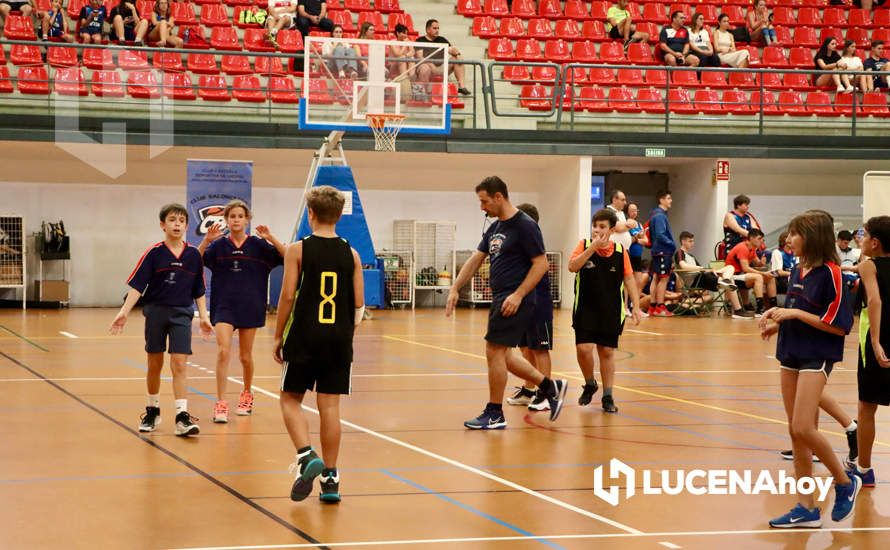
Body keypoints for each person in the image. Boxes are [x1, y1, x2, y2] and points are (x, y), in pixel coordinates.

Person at [760, 210, 861, 528]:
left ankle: (845, 482)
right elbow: (799, 310)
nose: (788, 239)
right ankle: (806, 507)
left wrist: (794, 316)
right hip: (790, 351)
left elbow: (839, 326)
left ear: (812, 237)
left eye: (794, 233)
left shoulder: (832, 274)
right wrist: (778, 323)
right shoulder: (796, 270)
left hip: (816, 355)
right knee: (795, 431)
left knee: (803, 427)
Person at [445, 176, 568, 430]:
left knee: (494, 351)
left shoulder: (525, 225)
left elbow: (541, 263)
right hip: (500, 296)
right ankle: (549, 386)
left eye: (484, 201)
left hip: (515, 297)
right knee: (505, 355)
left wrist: (519, 295)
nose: (482, 207)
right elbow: (476, 259)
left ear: (499, 196)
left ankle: (494, 412)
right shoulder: (495, 228)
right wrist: (455, 288)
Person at [273, 186, 364, 504]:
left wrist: (277, 334)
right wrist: (345, 333)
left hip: (304, 335)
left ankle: (305, 455)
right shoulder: (351, 253)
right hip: (338, 338)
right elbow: (359, 305)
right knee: (330, 408)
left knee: (289, 399)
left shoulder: (297, 250)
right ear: (339, 215)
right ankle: (331, 477)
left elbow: (287, 296)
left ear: (310, 214)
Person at [109, 204, 212, 437]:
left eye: (182, 221)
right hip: (156, 313)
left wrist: (204, 317)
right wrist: (124, 312)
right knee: (154, 364)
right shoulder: (154, 253)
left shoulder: (194, 255)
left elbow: (199, 290)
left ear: (187, 226)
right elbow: (137, 285)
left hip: (182, 315)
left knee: (179, 363)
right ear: (162, 225)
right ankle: (153, 411)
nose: (177, 224)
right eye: (172, 220)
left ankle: (182, 417)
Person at [198, 200, 286, 423]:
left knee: (245, 357)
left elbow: (287, 256)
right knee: (223, 352)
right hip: (223, 307)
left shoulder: (258, 246)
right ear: (226, 220)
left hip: (250, 306)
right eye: (232, 216)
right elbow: (194, 260)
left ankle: (247, 393)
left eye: (240, 216)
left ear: (247, 219)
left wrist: (271, 238)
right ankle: (221, 402)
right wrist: (206, 241)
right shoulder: (218, 246)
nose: (236, 220)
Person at [570, 209, 642, 413]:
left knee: (607, 351)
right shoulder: (584, 245)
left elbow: (629, 279)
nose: (596, 230)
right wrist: (592, 248)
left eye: (602, 227)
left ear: (611, 230)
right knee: (583, 349)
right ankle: (590, 383)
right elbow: (572, 266)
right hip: (585, 307)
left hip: (611, 310)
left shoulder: (620, 251)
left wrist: (636, 306)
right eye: (595, 226)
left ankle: (608, 395)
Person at [847, 215, 890, 489]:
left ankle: (864, 468)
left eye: (863, 235)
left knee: (867, 407)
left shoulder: (868, 265)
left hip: (877, 339)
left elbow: (874, 300)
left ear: (874, 243)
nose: (859, 239)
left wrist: (875, 341)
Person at [506, 203, 554, 413]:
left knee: (539, 348)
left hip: (539, 302)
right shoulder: (519, 239)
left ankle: (547, 393)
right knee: (526, 347)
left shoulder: (533, 238)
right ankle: (529, 389)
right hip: (523, 302)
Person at [675, 231, 752, 319]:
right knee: (731, 281)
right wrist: (702, 268)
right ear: (683, 241)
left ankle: (725, 281)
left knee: (730, 267)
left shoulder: (691, 256)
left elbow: (700, 269)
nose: (693, 243)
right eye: (690, 241)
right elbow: (683, 265)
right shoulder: (679, 253)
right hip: (696, 279)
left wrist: (710, 270)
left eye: (693, 241)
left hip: (703, 275)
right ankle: (738, 310)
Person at [726, 228, 777, 316]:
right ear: (751, 238)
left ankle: (774, 307)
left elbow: (757, 263)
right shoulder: (742, 248)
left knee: (770, 277)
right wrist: (763, 273)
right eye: (759, 239)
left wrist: (762, 262)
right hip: (733, 276)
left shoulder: (752, 248)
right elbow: (745, 268)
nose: (762, 241)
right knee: (758, 277)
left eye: (762, 239)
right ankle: (760, 309)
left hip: (742, 275)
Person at [415, 19, 471, 95]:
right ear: (428, 30)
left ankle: (461, 87)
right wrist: (431, 65)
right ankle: (423, 92)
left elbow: (452, 50)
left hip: (440, 67)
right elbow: (420, 57)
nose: (437, 30)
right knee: (425, 67)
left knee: (456, 59)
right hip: (426, 67)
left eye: (438, 28)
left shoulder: (442, 39)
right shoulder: (420, 40)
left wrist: (458, 54)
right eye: (434, 28)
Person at [647, 189, 677, 317]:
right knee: (663, 279)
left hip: (657, 251)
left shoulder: (655, 214)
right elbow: (660, 234)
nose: (671, 201)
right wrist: (672, 244)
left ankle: (652, 306)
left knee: (655, 278)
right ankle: (660, 306)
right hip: (663, 251)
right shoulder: (660, 216)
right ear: (661, 200)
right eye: (669, 198)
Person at [627, 202, 647, 300]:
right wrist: (638, 238)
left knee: (638, 282)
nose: (634, 212)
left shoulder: (639, 225)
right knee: (628, 282)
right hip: (630, 255)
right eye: (632, 210)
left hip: (638, 256)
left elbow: (646, 241)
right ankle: (626, 307)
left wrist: (637, 239)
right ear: (627, 212)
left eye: (636, 210)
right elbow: (627, 240)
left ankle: (636, 305)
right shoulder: (626, 224)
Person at [770, 231, 796, 295]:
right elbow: (778, 272)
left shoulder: (796, 252)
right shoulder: (777, 252)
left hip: (793, 278)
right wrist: (793, 274)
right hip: (781, 280)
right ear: (785, 240)